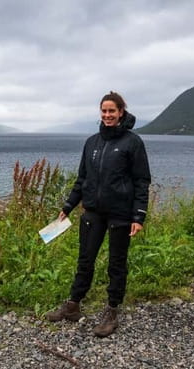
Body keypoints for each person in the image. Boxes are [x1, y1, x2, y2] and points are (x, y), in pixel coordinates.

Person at [45, 91, 151, 338]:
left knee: (116, 264)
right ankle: (73, 306)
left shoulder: (132, 143)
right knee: (85, 260)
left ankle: (112, 311)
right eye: (104, 111)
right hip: (92, 212)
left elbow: (141, 181)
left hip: (120, 215)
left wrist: (139, 216)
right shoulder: (92, 142)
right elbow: (83, 179)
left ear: (121, 112)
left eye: (112, 111)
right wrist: (68, 206)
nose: (107, 115)